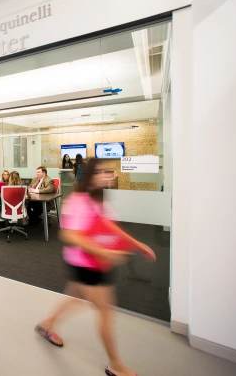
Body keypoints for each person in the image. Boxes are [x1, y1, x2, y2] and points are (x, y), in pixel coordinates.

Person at [34, 158, 156, 376]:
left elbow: (108, 225)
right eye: (102, 172)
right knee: (106, 311)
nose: (108, 175)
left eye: (108, 171)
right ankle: (115, 365)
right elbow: (69, 235)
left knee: (75, 298)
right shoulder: (77, 201)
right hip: (84, 264)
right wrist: (105, 252)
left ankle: (47, 323)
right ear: (90, 177)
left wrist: (136, 244)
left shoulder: (99, 200)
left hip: (94, 263)